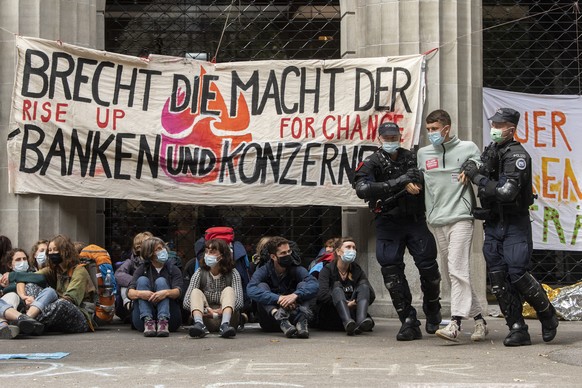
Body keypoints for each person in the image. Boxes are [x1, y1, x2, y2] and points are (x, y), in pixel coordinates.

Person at [461, 107, 559, 346]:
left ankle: (547, 314)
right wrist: (471, 168)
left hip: (514, 222)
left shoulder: (517, 155)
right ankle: (517, 327)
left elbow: (507, 192)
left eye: (498, 125)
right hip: (493, 222)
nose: (494, 129)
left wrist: (478, 178)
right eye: (493, 124)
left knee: (517, 273)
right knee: (498, 277)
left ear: (510, 129)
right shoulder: (492, 151)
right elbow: (479, 169)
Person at [353, 121, 442, 341]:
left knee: (429, 268)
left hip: (415, 221)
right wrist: (399, 183)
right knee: (392, 273)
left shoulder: (411, 157)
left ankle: (433, 309)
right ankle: (408, 320)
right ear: (379, 139)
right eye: (388, 138)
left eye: (395, 138)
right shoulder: (371, 162)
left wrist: (414, 180)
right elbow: (362, 189)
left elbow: (428, 174)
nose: (391, 141)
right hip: (388, 223)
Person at [416, 109, 488, 342]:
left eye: (434, 129)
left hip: (461, 217)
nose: (431, 134)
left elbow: (480, 167)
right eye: (428, 130)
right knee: (452, 272)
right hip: (437, 219)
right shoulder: (423, 153)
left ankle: (455, 323)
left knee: (457, 268)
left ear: (446, 128)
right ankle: (479, 321)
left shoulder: (468, 148)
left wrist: (471, 169)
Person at [247, 236, 318, 338]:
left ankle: (302, 321)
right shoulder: (264, 270)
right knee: (261, 286)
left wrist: (295, 295)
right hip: (271, 319)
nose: (288, 255)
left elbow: (314, 284)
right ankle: (281, 319)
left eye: (289, 251)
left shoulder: (296, 268)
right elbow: (251, 289)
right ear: (273, 257)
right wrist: (279, 299)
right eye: (283, 253)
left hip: (294, 317)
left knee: (304, 285)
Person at [32, 234, 96, 333]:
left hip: (80, 317)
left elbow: (70, 299)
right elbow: (30, 277)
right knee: (31, 285)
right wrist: (11, 277)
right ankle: (29, 320)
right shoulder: (54, 270)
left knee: (62, 303)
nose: (52, 253)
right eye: (50, 250)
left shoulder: (79, 271)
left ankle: (30, 321)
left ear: (65, 251)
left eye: (55, 249)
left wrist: (45, 306)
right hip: (55, 313)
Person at [184, 238, 244, 338]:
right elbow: (186, 301)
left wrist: (222, 310)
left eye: (212, 252)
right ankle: (199, 325)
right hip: (205, 317)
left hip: (228, 319)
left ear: (222, 255)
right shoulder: (200, 272)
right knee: (195, 292)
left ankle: (224, 326)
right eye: (206, 251)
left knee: (229, 290)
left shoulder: (233, 273)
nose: (208, 255)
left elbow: (239, 302)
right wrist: (207, 310)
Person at [315, 237, 375, 335]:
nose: (352, 250)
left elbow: (371, 294)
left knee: (364, 286)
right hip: (332, 312)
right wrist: (344, 304)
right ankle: (348, 322)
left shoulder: (356, 269)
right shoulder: (327, 270)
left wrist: (355, 303)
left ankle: (361, 320)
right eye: (348, 247)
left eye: (354, 248)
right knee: (337, 287)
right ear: (338, 251)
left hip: (353, 309)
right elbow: (322, 295)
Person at [127, 237, 183, 337]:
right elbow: (130, 292)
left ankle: (163, 320)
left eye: (162, 248)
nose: (163, 251)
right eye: (158, 249)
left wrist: (165, 293)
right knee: (142, 280)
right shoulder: (142, 269)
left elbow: (179, 291)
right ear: (150, 253)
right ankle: (148, 321)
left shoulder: (173, 269)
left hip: (170, 319)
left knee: (161, 281)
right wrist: (141, 294)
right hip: (142, 322)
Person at [114, 231, 153, 322]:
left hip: (152, 290)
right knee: (124, 286)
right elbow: (118, 275)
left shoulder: (156, 259)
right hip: (135, 291)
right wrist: (135, 281)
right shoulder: (131, 261)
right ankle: (129, 305)